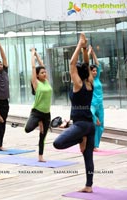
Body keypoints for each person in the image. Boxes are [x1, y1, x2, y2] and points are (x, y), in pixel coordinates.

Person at [53, 33, 95, 193]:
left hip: (81, 126)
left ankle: (80, 138)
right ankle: (89, 186)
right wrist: (84, 48)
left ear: (76, 73)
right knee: (88, 156)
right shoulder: (89, 81)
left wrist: (79, 44)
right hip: (90, 124)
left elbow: (72, 63)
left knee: (58, 143)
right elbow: (86, 63)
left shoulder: (78, 84)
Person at [24, 48, 52, 162]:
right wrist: (32, 55)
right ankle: (38, 122)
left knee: (43, 135)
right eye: (42, 73)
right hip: (36, 112)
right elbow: (33, 68)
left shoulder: (47, 81)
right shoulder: (36, 83)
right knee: (28, 129)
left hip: (46, 113)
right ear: (37, 75)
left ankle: (40, 156)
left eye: (45, 72)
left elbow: (42, 65)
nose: (44, 74)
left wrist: (37, 55)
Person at [88, 45, 104, 151]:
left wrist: (93, 53)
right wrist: (87, 53)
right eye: (92, 71)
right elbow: (85, 65)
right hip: (92, 104)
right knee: (94, 122)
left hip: (100, 104)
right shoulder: (88, 80)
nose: (94, 72)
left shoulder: (97, 78)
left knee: (101, 126)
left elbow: (97, 64)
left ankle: (96, 145)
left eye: (95, 71)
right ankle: (93, 145)